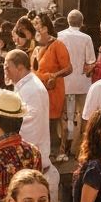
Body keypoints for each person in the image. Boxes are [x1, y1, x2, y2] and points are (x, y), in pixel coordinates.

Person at [4, 49, 59, 202]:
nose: (5, 72)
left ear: (20, 68)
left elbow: (29, 129)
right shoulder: (25, 85)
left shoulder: (32, 89)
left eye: (8, 68)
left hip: (38, 170)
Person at [30, 13, 72, 162]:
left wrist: (54, 76)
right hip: (38, 90)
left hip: (53, 89)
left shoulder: (57, 45)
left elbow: (68, 68)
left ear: (45, 28)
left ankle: (53, 154)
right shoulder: (36, 47)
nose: (35, 30)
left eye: (38, 27)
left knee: (52, 122)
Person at [57, 10, 96, 159]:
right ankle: (77, 149)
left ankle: (62, 148)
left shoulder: (59, 36)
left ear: (68, 21)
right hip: (81, 82)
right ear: (81, 22)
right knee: (81, 115)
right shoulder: (86, 38)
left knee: (64, 116)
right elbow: (91, 61)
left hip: (64, 80)